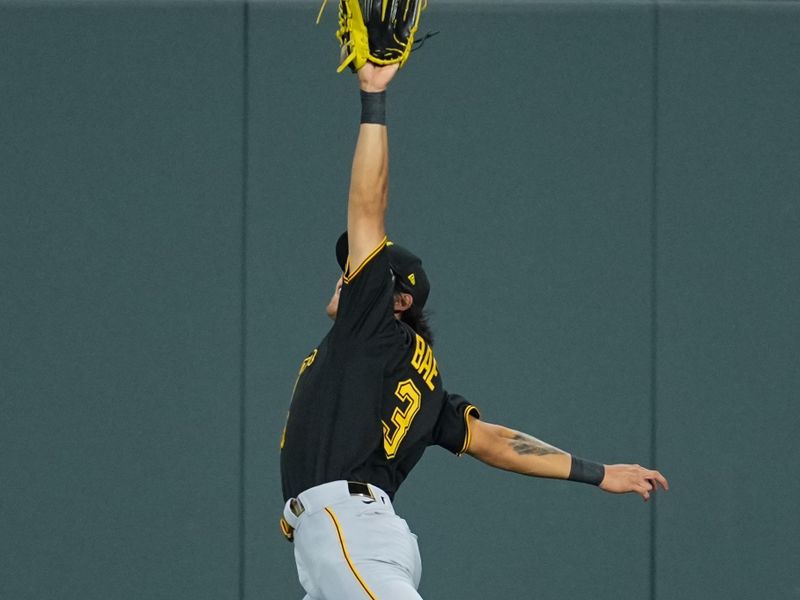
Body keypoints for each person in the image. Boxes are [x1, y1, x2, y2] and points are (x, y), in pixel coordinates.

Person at [279, 62, 668, 600]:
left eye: (362, 268)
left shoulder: (373, 327)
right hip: (350, 540)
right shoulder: (415, 375)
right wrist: (598, 473)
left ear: (399, 300)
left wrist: (373, 100)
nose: (348, 273)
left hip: (349, 530)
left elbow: (368, 207)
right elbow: (492, 440)